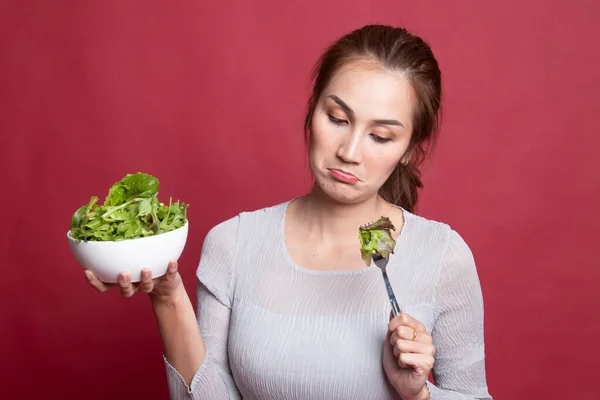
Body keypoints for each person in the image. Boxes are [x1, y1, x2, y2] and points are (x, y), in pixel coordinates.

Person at [85, 24, 492, 400]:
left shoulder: (442, 256)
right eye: (337, 118)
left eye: (381, 136)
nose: (349, 152)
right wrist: (167, 299)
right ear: (312, 113)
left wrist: (417, 395)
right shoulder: (234, 243)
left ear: (408, 152)